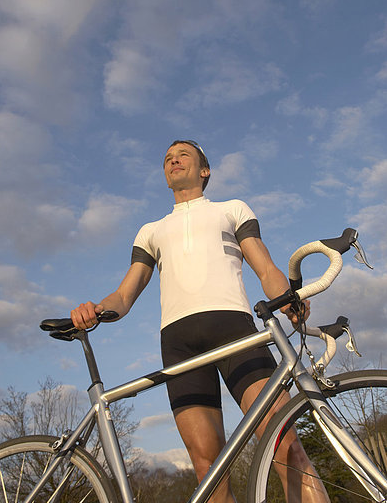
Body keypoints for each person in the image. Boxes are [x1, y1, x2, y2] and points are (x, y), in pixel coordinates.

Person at [71, 140, 329, 503]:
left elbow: (265, 267)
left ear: (204, 170)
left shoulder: (232, 209)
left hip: (234, 331)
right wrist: (95, 308)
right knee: (208, 467)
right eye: (167, 159)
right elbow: (124, 295)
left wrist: (289, 300)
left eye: (183, 156)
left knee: (284, 446)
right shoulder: (150, 230)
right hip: (178, 343)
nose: (173, 161)